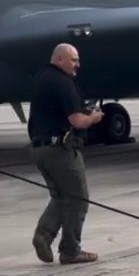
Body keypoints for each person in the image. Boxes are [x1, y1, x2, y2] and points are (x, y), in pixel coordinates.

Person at [27, 43, 103, 264]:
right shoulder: (62, 82)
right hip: (60, 150)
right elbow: (77, 120)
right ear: (59, 60)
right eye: (73, 59)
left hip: (40, 148)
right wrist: (94, 118)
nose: (77, 64)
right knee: (78, 199)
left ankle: (43, 235)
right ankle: (70, 250)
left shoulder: (42, 78)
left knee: (61, 197)